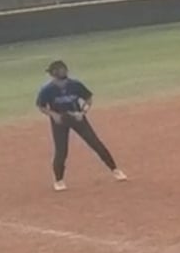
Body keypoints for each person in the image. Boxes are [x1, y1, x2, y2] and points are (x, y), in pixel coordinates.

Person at [35, 60, 127, 192]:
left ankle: (115, 169)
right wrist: (54, 115)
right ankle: (59, 180)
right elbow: (41, 106)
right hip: (60, 121)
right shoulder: (47, 90)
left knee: (95, 143)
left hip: (77, 118)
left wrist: (82, 112)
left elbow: (88, 99)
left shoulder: (75, 85)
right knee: (61, 150)